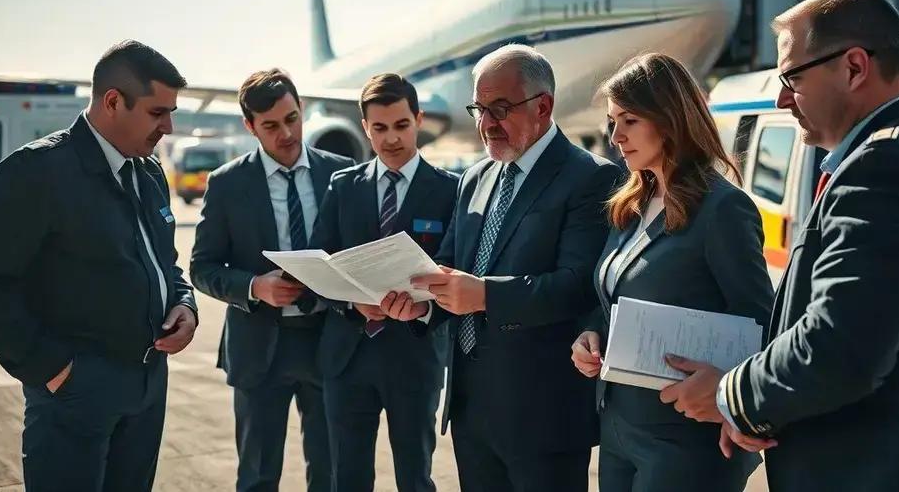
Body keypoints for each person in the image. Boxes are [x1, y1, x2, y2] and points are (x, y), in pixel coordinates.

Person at [662, 0, 899, 491]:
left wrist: (732, 396)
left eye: (792, 77)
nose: (781, 98)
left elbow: (841, 348)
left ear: (855, 67)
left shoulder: (888, 167)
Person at [0, 40, 198, 491]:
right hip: (74, 396)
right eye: (158, 112)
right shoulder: (36, 173)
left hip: (145, 388)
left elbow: (165, 263)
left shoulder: (148, 171)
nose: (168, 125)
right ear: (112, 102)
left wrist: (184, 304)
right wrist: (54, 369)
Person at [383, 44, 623, 492]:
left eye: (500, 108)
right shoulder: (475, 178)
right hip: (472, 411)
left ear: (543, 106)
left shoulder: (590, 178)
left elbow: (578, 288)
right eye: (479, 108)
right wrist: (420, 307)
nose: (486, 123)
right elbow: (453, 268)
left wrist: (486, 295)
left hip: (544, 418)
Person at [570, 53, 772, 491]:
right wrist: (591, 335)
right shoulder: (629, 204)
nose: (616, 136)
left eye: (629, 120)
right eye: (612, 122)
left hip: (686, 439)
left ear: (669, 117)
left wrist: (734, 402)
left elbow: (760, 322)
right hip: (619, 427)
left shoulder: (724, 209)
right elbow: (613, 299)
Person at [190, 69, 353, 492]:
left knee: (333, 473)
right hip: (261, 348)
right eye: (271, 125)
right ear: (249, 126)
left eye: (292, 119)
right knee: (258, 476)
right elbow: (202, 267)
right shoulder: (226, 184)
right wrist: (254, 287)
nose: (287, 133)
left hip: (328, 342)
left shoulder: (342, 173)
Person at [311, 73, 457, 492]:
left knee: (415, 478)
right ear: (365, 128)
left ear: (419, 120)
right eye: (379, 128)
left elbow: (454, 269)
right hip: (347, 356)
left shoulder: (449, 190)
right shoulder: (343, 186)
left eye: (401, 126)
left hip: (414, 357)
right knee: (348, 479)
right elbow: (322, 265)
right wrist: (351, 305)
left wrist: (423, 307)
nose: (391, 138)